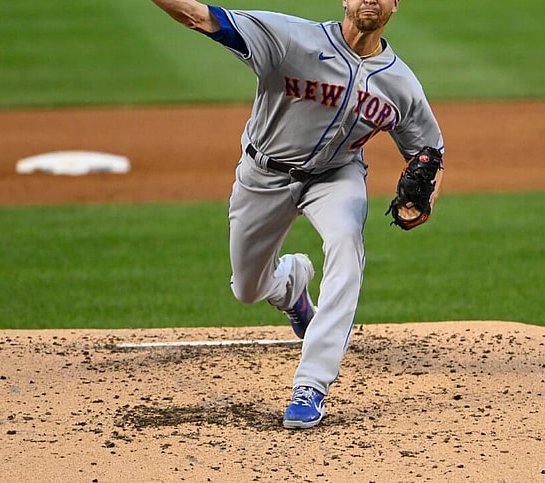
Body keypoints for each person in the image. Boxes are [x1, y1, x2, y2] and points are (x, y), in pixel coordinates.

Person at [149, 0, 445, 429]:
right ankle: (290, 288)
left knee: (346, 243)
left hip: (336, 176)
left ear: (394, 5)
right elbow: (198, 16)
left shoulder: (400, 84)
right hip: (263, 175)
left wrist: (424, 204)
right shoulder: (289, 39)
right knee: (247, 289)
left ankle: (312, 384)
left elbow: (429, 154)